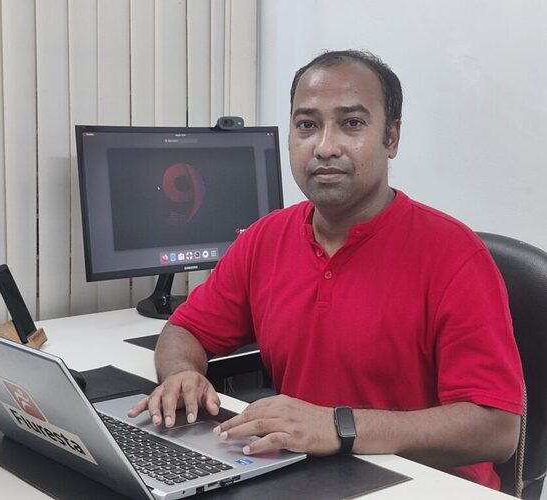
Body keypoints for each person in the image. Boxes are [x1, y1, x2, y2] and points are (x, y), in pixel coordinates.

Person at [128, 50, 523, 490]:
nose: (325, 146)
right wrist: (184, 373)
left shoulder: (455, 256)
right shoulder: (265, 238)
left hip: (423, 486)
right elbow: (184, 330)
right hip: (305, 477)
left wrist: (338, 427)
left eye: (351, 123)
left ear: (391, 138)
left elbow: (497, 429)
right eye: (307, 125)